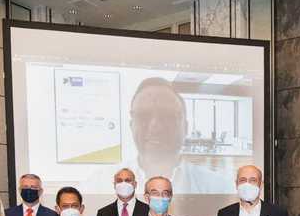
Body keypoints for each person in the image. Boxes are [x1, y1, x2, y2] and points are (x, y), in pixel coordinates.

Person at [80, 77, 233, 194]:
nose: (155, 128)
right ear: (131, 125)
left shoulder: (220, 187)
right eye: (143, 116)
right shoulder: (97, 185)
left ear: (185, 127)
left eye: (167, 116)